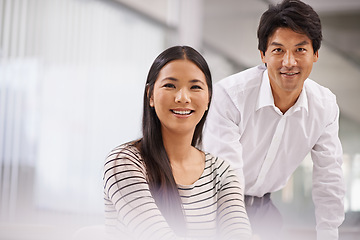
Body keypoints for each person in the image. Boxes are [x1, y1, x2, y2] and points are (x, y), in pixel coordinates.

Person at [203, 1, 345, 240]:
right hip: (212, 207)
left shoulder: (324, 106)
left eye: (300, 49)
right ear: (263, 55)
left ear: (315, 54)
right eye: (278, 50)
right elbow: (226, 178)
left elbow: (329, 177)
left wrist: (329, 234)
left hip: (264, 210)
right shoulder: (230, 97)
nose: (289, 62)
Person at [103, 46, 252, 240]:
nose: (183, 97)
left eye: (195, 87)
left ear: (208, 99)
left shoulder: (221, 172)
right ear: (150, 95)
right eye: (170, 86)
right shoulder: (125, 162)